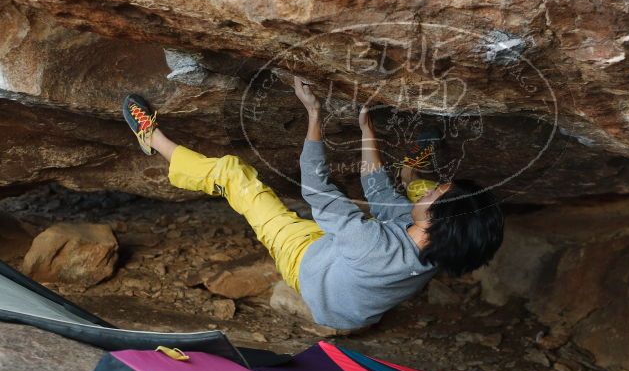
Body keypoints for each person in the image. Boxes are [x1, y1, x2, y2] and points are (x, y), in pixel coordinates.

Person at [121, 76, 504, 330]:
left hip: (307, 264)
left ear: (434, 221)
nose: (437, 192)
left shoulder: (373, 245)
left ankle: (152, 139)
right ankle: (409, 173)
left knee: (234, 176)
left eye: (440, 195)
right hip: (351, 286)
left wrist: (313, 114)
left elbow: (315, 186)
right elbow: (377, 191)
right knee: (408, 194)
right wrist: (366, 130)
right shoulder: (440, 246)